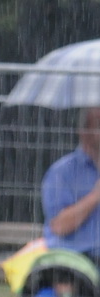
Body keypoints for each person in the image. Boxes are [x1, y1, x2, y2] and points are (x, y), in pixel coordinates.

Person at [40, 109, 100, 262]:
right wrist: (95, 196)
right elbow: (59, 226)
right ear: (84, 131)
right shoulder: (62, 172)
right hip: (74, 260)